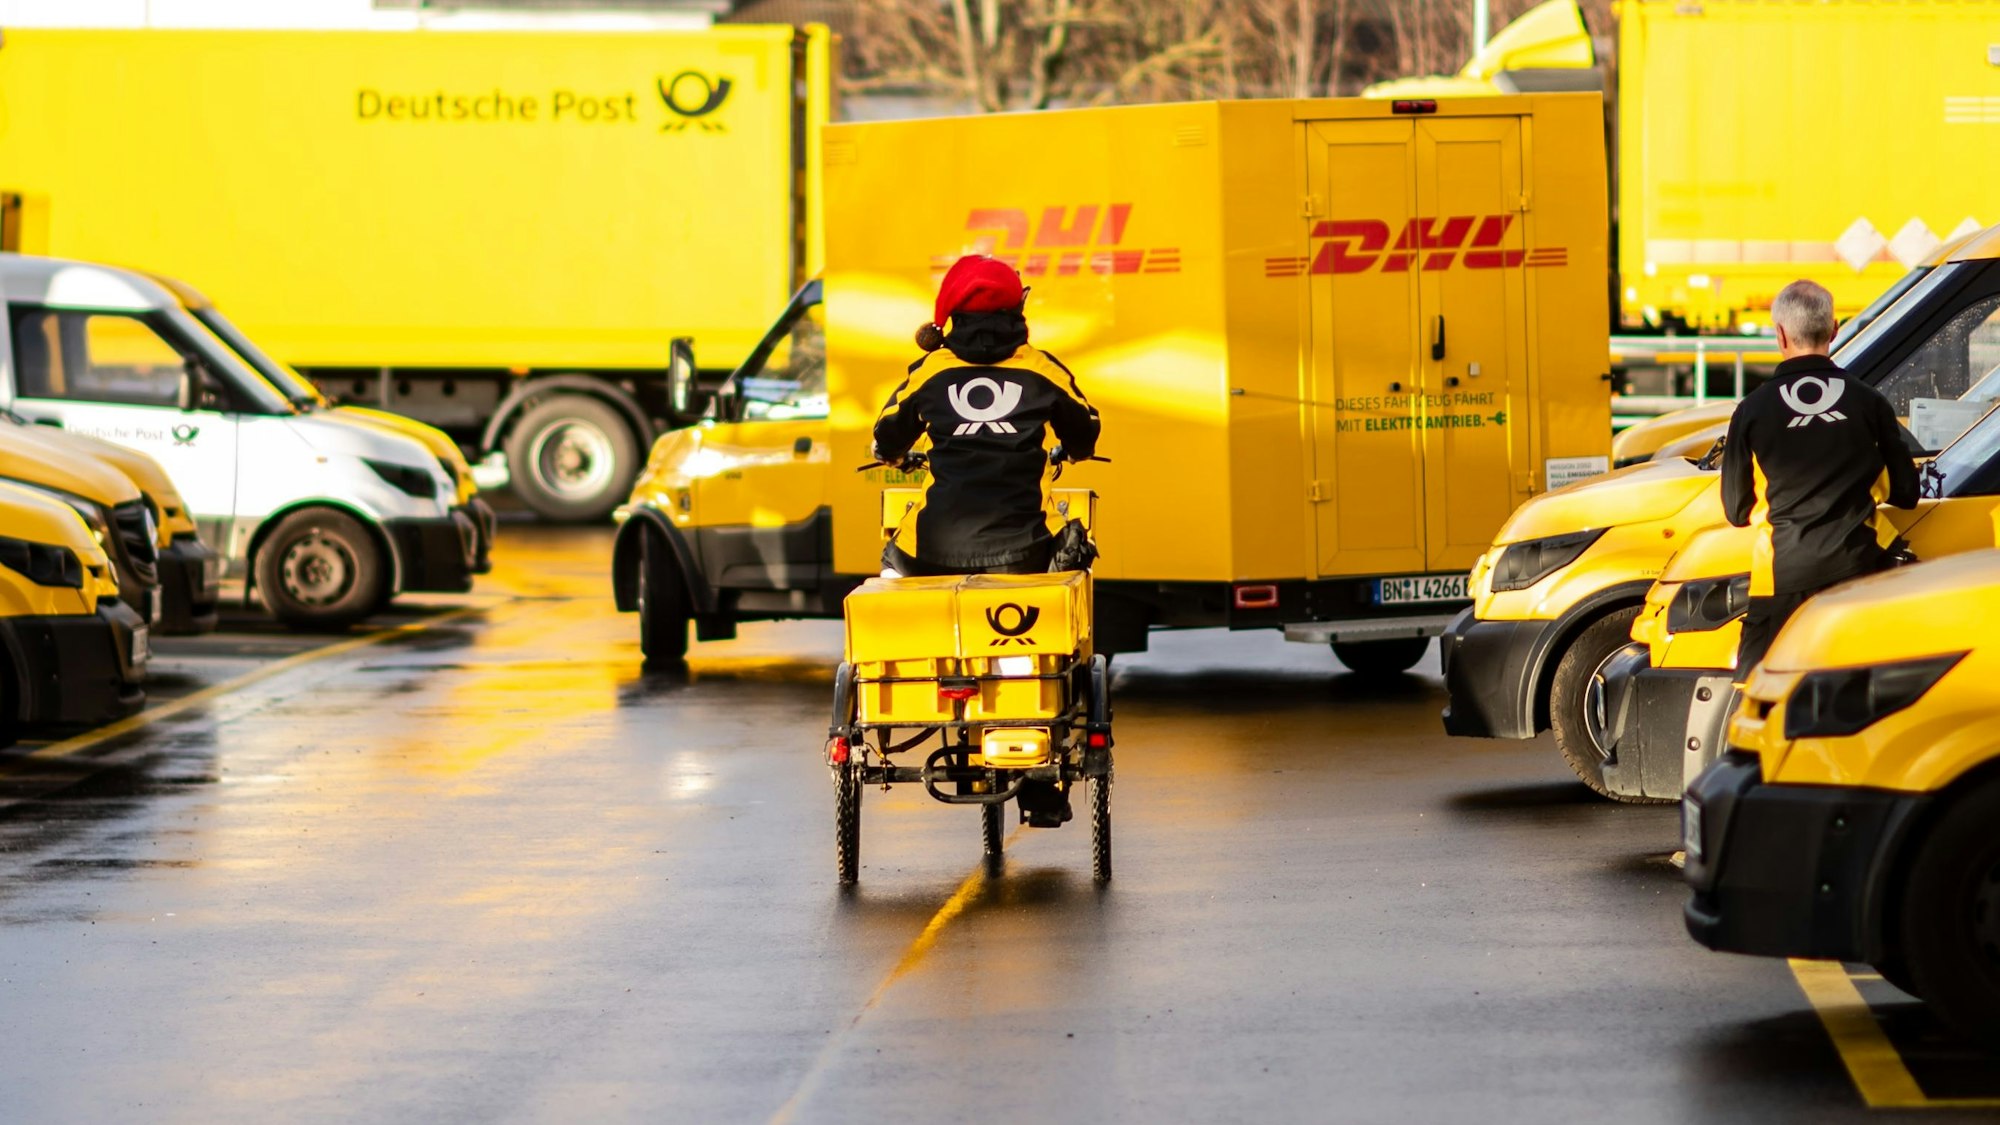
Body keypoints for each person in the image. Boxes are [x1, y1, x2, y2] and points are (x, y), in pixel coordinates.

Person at [1721, 279, 1919, 674]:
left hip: (1780, 578)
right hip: (1859, 571)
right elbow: (1906, 492)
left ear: (1780, 334)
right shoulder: (1869, 402)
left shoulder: (1752, 410)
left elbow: (1736, 510)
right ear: (1834, 330)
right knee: (1863, 687)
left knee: (1758, 695)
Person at [872, 254, 1101, 578]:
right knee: (1072, 544)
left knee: (894, 560)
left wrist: (890, 455)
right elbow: (1085, 430)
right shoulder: (1041, 368)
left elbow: (886, 435)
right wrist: (1077, 452)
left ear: (953, 314)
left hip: (930, 552)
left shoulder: (932, 370)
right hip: (1025, 554)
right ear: (1018, 307)